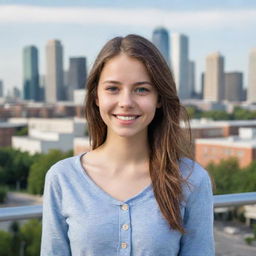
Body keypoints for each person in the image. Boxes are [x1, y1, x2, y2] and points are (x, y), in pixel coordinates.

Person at [40, 34, 215, 256]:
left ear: (159, 98)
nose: (126, 103)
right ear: (96, 96)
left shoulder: (191, 179)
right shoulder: (62, 178)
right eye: (112, 88)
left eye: (141, 89)